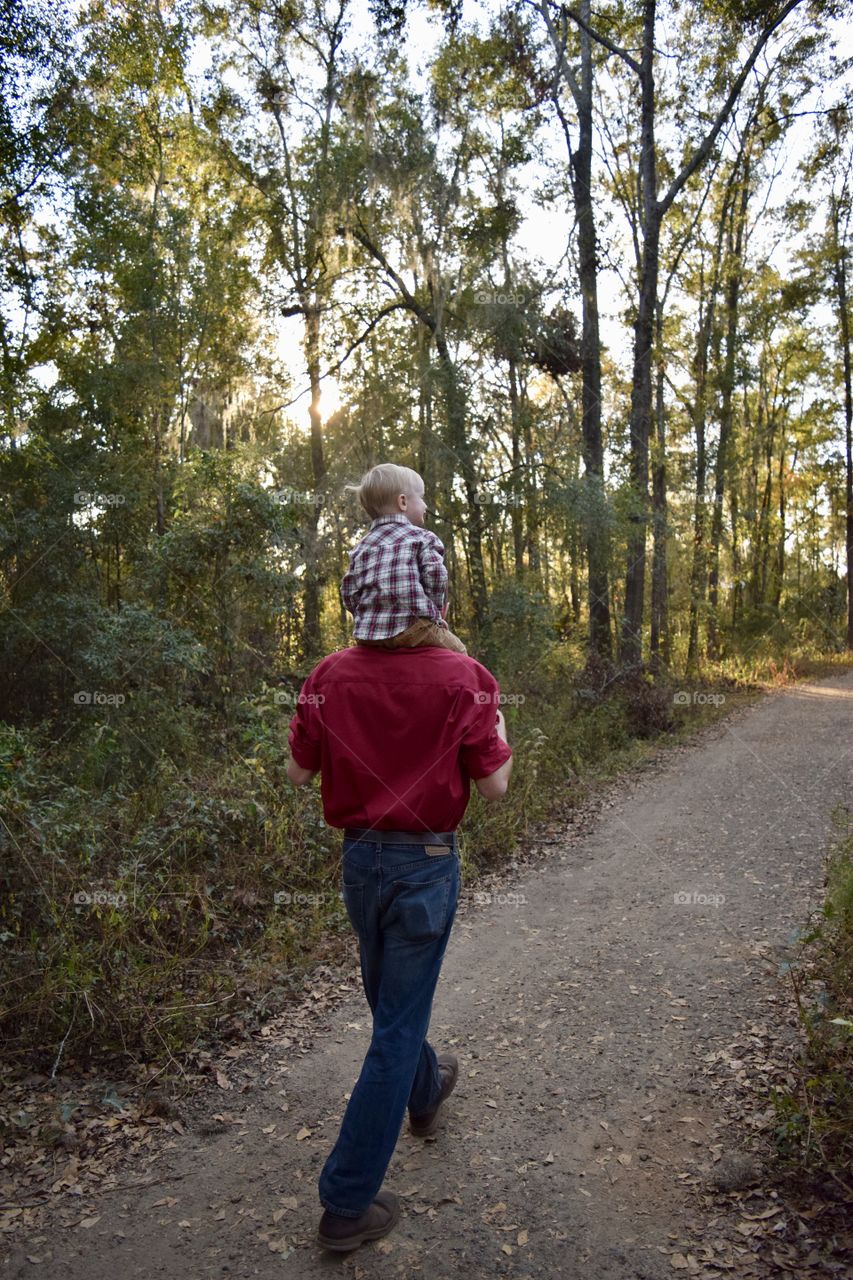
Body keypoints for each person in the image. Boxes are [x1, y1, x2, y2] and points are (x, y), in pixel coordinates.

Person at [286, 642, 513, 1252]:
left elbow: (297, 772)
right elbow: (494, 786)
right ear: (431, 598)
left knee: (392, 1009)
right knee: (396, 1026)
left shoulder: (329, 673)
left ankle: (425, 1090)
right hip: (427, 862)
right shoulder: (467, 676)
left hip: (361, 860)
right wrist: (498, 723)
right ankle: (346, 1203)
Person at [341, 462, 468, 654]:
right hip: (413, 628)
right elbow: (436, 576)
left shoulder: (361, 548)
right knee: (459, 653)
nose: (425, 505)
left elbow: (348, 591)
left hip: (368, 635)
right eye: (422, 497)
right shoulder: (423, 537)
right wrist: (435, 614)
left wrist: (364, 616)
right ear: (403, 502)